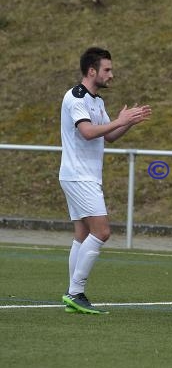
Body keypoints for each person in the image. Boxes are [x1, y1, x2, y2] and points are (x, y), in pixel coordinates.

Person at [60, 47, 152, 314]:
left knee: (82, 234)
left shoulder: (96, 101)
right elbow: (88, 132)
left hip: (83, 176)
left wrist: (128, 122)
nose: (112, 74)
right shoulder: (76, 96)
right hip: (79, 176)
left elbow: (108, 136)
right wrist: (119, 120)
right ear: (92, 71)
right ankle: (75, 292)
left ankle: (72, 295)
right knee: (102, 232)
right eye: (107, 70)